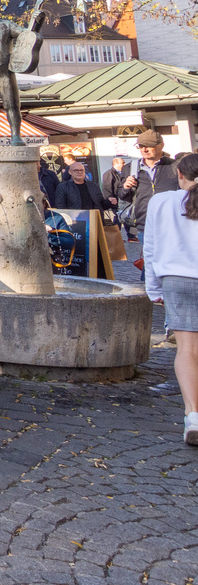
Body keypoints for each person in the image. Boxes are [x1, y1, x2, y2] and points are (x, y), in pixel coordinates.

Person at [141, 152, 198, 445]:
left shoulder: (161, 202)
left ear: (179, 175)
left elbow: (149, 248)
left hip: (177, 279)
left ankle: (193, 415)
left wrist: (153, 289)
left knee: (187, 349)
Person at [118, 130, 179, 241]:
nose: (144, 150)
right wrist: (126, 188)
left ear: (161, 145)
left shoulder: (175, 166)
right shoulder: (130, 168)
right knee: (150, 258)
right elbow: (123, 196)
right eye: (141, 146)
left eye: (149, 146)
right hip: (144, 226)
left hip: (173, 225)